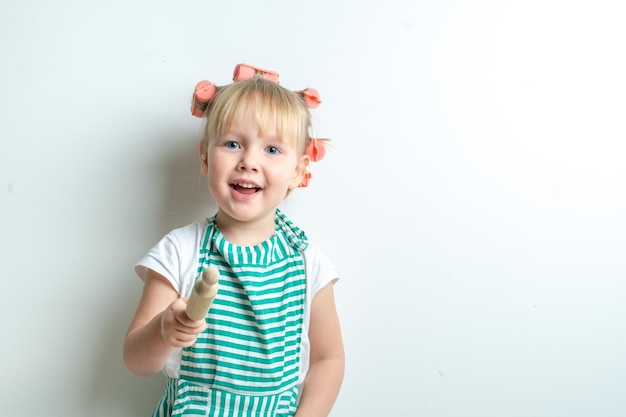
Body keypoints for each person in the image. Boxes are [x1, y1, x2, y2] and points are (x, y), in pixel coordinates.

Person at [123, 63, 344, 417]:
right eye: (232, 143)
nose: (249, 162)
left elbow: (328, 359)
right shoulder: (179, 251)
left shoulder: (309, 264)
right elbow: (136, 360)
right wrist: (164, 330)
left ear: (299, 171)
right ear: (206, 157)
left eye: (272, 150)